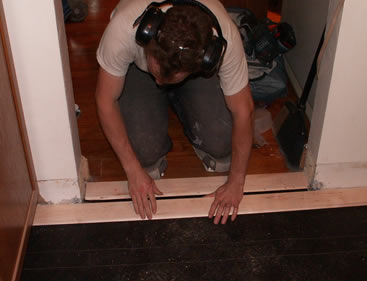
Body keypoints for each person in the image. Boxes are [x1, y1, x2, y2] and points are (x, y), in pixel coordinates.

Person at [95, 0, 254, 224]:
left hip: (194, 77)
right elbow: (105, 99)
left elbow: (243, 111)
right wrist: (133, 171)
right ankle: (162, 98)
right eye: (158, 73)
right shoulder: (125, 27)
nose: (160, 82)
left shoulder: (225, 36)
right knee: (144, 155)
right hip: (136, 71)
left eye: (168, 79)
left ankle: (181, 99)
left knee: (221, 144)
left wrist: (237, 182)